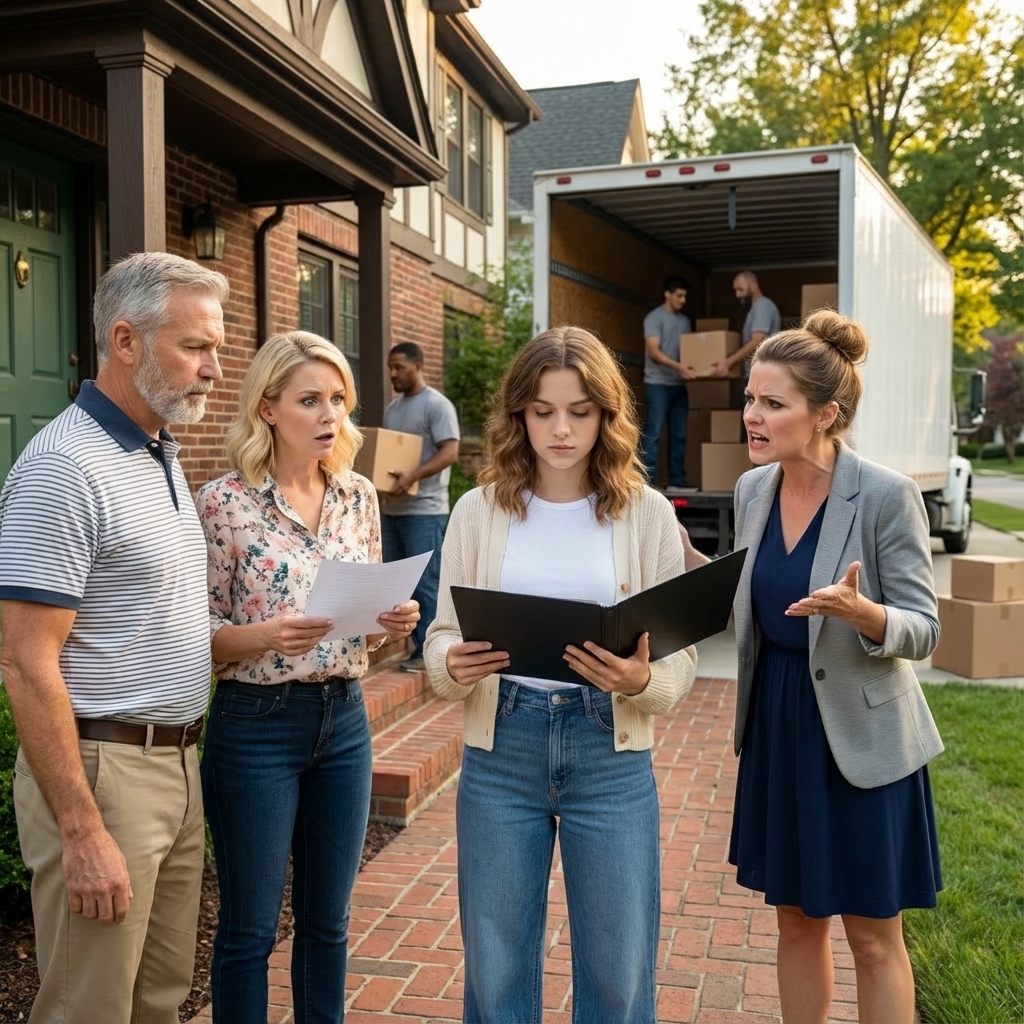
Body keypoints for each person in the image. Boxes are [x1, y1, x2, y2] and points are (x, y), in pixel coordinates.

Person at [424, 325, 697, 1023]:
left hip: (609, 752)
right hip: (501, 748)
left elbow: (679, 655)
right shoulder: (476, 512)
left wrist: (640, 682)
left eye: (579, 411)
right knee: (497, 964)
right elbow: (442, 638)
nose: (561, 429)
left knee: (616, 972)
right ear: (519, 414)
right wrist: (451, 665)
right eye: (543, 411)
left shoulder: (647, 514)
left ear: (607, 415)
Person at [679, 310, 943, 1024]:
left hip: (860, 739)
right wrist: (685, 561)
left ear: (825, 414)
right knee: (794, 920)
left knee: (873, 935)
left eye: (772, 403)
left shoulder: (886, 496)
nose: (751, 417)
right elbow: (751, 599)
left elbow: (925, 630)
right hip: (780, 727)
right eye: (750, 399)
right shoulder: (752, 491)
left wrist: (867, 616)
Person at [0, 252, 228, 1024]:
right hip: (103, 772)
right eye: (195, 347)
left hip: (176, 763)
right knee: (88, 1010)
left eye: (216, 349)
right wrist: (81, 826)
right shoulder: (66, 467)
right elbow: (25, 662)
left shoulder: (159, 452)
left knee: (158, 1000)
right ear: (125, 341)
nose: (212, 369)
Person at [196, 330, 419, 1024]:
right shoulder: (222, 503)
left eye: (338, 399)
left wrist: (391, 626)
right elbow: (198, 638)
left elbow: (366, 642)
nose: (330, 416)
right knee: (250, 930)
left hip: (344, 721)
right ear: (267, 407)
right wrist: (266, 635)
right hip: (254, 728)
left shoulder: (358, 496)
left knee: (328, 921)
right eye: (310, 400)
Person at [380, 341, 460, 672]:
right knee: (398, 583)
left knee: (426, 582)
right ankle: (416, 647)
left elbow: (451, 451)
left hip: (425, 510)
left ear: (418, 365)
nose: (393, 374)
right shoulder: (393, 408)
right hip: (393, 509)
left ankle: (432, 654)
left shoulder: (437, 406)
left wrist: (413, 475)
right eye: (390, 368)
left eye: (399, 366)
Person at [641, 275, 696, 490]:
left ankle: (677, 480)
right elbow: (653, 352)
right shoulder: (654, 318)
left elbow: (689, 350)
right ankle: (648, 485)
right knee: (654, 433)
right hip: (657, 384)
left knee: (679, 433)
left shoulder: (684, 321)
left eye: (685, 296)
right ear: (668, 295)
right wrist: (679, 367)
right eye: (679, 296)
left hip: (678, 385)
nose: (683, 300)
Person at [710, 270, 781, 379]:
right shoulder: (756, 308)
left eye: (740, 289)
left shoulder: (761, 307)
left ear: (753, 286)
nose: (737, 295)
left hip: (761, 376)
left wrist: (728, 362)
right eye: (735, 290)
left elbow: (756, 341)